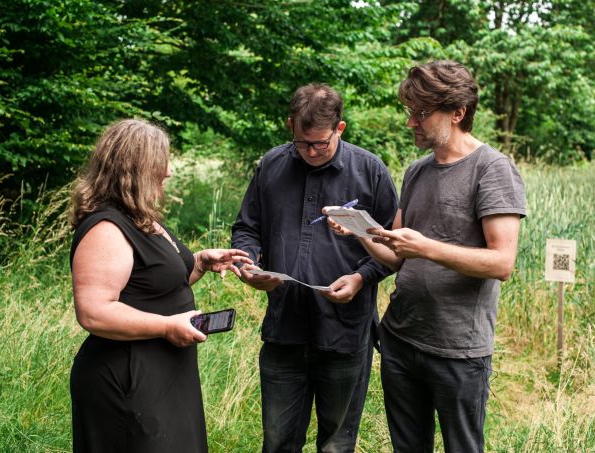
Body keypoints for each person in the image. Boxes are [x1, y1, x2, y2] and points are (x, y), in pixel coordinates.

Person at [326, 60, 526, 452]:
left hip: (458, 350)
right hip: (401, 339)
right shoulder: (417, 171)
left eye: (420, 114)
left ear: (457, 112)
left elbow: (501, 263)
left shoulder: (493, 170)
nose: (410, 123)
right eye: (409, 112)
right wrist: (360, 231)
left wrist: (426, 248)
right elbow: (396, 256)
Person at [231, 84, 398, 452]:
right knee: (277, 441)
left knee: (336, 444)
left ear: (340, 129)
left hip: (344, 334)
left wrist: (361, 277)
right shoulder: (272, 165)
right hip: (284, 330)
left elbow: (394, 246)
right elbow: (247, 227)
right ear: (290, 125)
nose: (309, 152)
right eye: (301, 142)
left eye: (319, 144)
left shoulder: (370, 171)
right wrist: (247, 261)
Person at [68, 119, 251, 453]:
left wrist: (199, 263)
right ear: (136, 168)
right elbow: (93, 312)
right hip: (127, 376)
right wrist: (168, 326)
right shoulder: (106, 227)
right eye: (161, 162)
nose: (168, 172)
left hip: (165, 373)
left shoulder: (140, 217)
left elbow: (151, 283)